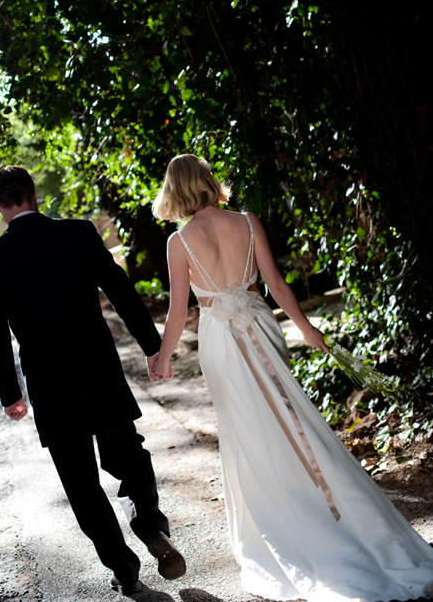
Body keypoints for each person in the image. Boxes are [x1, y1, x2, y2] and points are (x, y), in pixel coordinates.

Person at [150, 154, 433, 602]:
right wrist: (306, 329)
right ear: (206, 181)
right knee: (290, 419)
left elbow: (178, 311)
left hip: (220, 339)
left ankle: (290, 517)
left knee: (249, 432)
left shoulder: (179, 242)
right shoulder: (247, 221)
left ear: (175, 190)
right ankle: (334, 505)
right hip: (261, 324)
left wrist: (162, 357)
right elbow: (277, 286)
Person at [0, 166, 186, 598]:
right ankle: (151, 527)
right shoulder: (78, 233)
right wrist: (152, 346)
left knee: (81, 483)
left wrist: (10, 394)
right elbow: (120, 290)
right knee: (128, 454)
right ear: (34, 195)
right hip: (99, 371)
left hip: (49, 385)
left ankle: (125, 570)